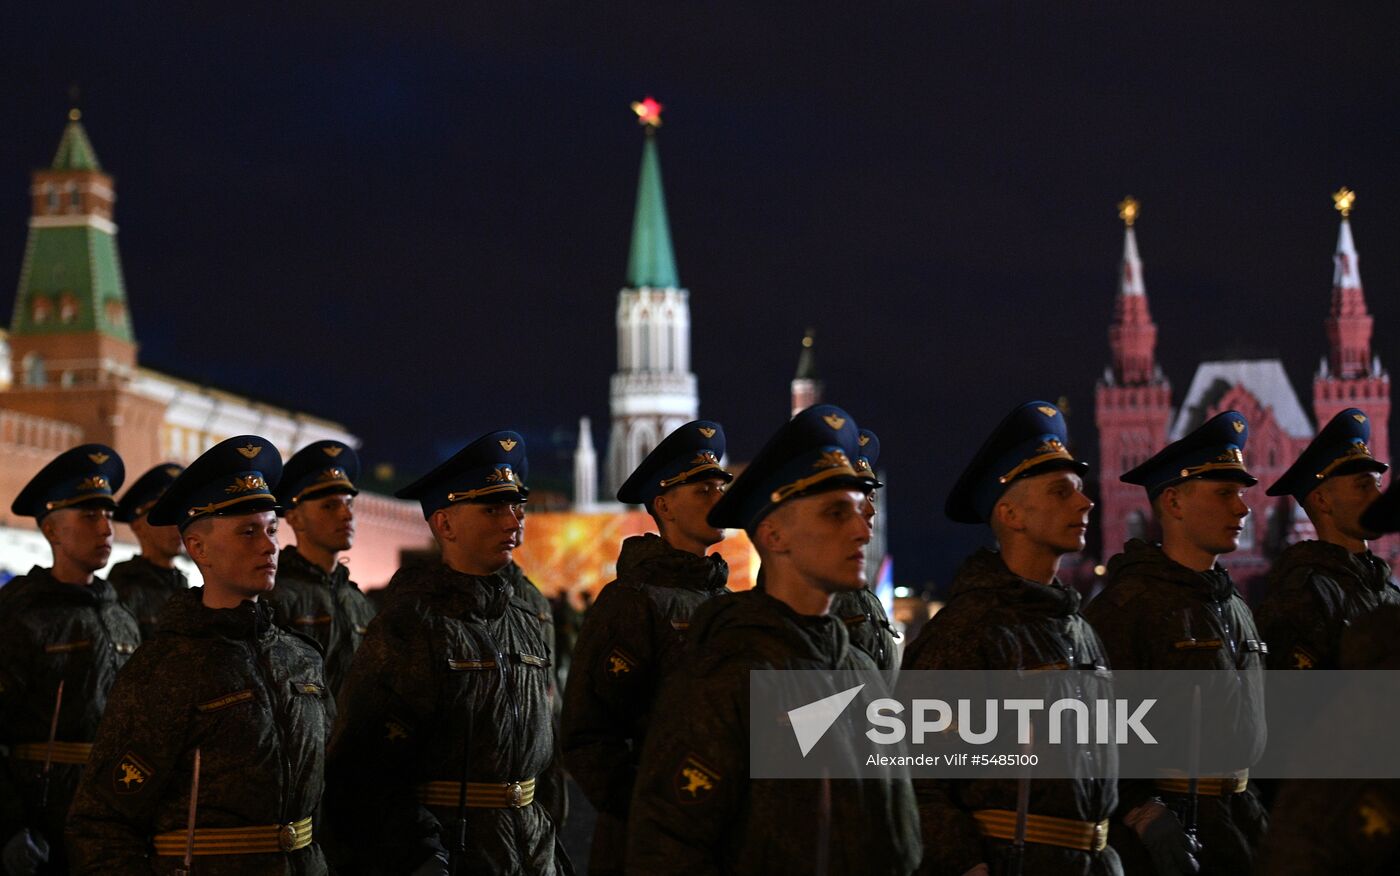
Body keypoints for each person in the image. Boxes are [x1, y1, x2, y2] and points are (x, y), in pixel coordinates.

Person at [627, 404, 921, 875]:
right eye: (834, 513)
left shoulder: (860, 673)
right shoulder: (724, 674)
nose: (861, 527)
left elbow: (896, 840)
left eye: (859, 511)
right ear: (773, 534)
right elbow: (669, 847)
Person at [67, 435, 332, 873]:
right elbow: (102, 824)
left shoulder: (302, 659)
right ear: (199, 547)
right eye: (248, 532)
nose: (269, 546)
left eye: (271, 529)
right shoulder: (165, 669)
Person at [326, 431, 570, 874]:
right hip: (456, 853)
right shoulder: (411, 626)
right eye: (492, 509)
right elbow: (364, 768)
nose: (512, 522)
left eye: (517, 508)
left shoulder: (521, 618)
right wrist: (419, 854)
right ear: (445, 524)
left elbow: (543, 750)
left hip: (533, 852)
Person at [901, 401, 1120, 876]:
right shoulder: (969, 630)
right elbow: (919, 778)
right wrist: (966, 863)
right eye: (1062, 492)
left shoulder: (1079, 630)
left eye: (1081, 491)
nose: (1085, 504)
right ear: (1012, 515)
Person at [1083, 410, 1268, 875]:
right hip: (1172, 840)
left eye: (1241, 494)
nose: (1243, 508)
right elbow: (1088, 735)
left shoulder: (1235, 606)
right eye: (1225, 494)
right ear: (1174, 503)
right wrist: (1141, 812)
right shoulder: (1127, 608)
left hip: (1245, 826)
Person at [562, 419, 733, 876]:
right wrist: (653, 807)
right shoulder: (632, 600)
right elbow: (588, 733)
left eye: (720, 486)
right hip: (650, 843)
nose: (719, 498)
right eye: (702, 490)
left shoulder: (729, 604)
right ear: (664, 506)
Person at [0, 445, 139, 876]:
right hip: (42, 814)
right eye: (88, 517)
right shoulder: (20, 613)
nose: (106, 529)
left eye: (108, 516)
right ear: (53, 531)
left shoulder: (121, 617)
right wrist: (7, 824)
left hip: (115, 813)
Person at [1255, 408, 1399, 671]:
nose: (1378, 498)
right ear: (1322, 500)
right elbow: (1301, 705)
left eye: (1377, 485)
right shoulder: (1302, 595)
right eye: (1363, 486)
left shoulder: (1384, 589)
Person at [265, 439, 377, 696]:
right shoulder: (275, 598)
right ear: (294, 518)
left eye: (349, 504)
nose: (346, 515)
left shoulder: (359, 602)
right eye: (329, 506)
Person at [829, 428, 899, 670]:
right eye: (859, 498)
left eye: (870, 498)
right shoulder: (808, 590)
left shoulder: (865, 595)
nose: (871, 510)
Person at [108, 462, 188, 640]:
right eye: (164, 516)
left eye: (180, 514)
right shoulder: (125, 585)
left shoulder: (183, 584)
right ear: (137, 526)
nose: (177, 525)